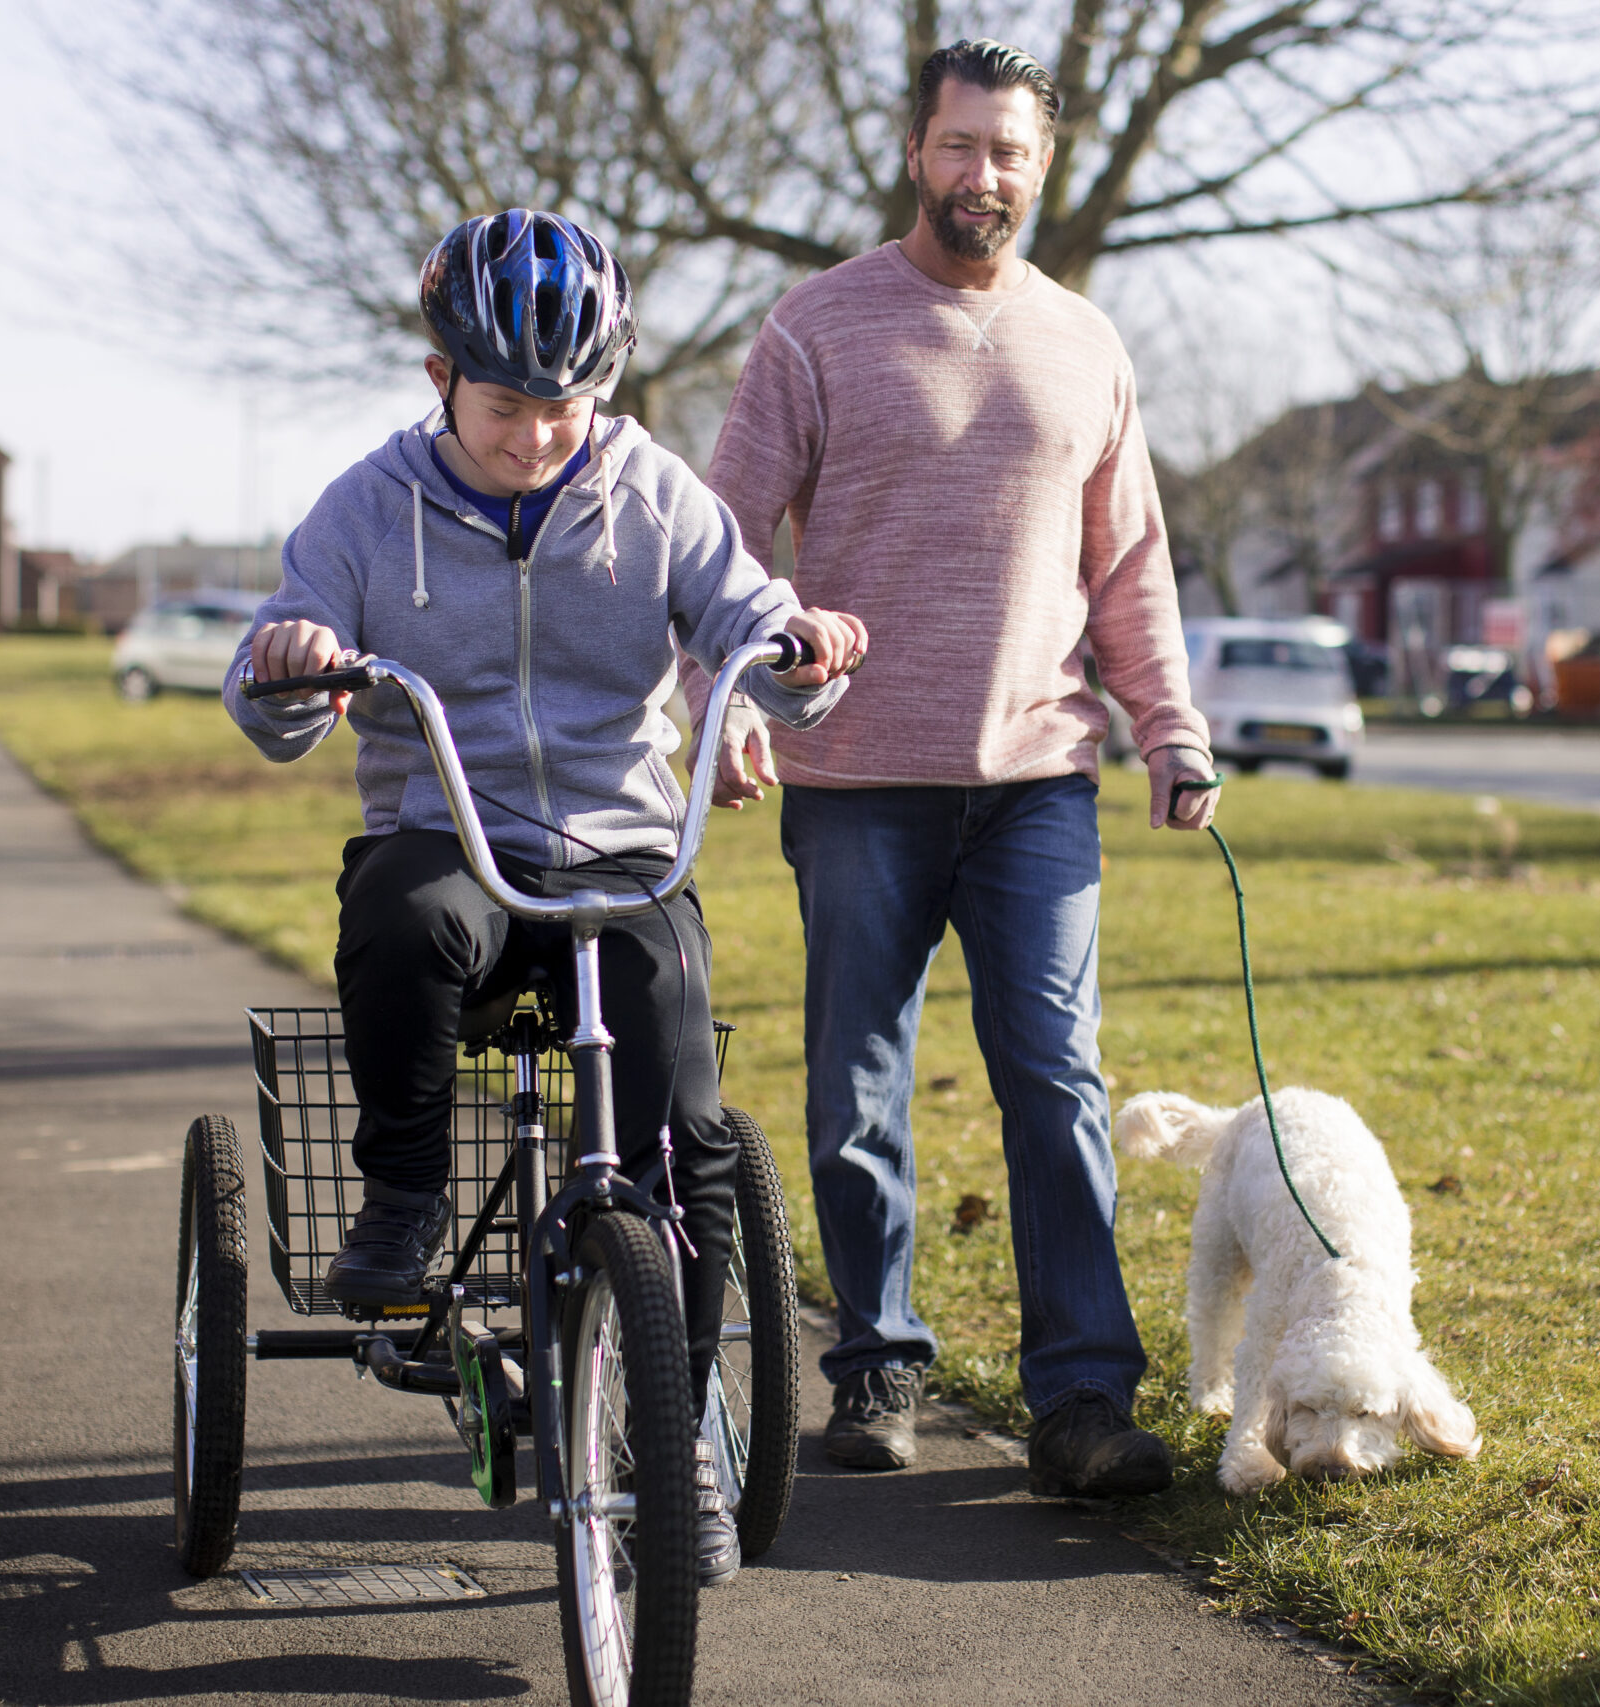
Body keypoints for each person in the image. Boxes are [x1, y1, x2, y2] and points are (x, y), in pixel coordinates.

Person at [225, 210, 866, 1584]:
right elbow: (277, 694)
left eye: (563, 406)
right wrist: (292, 663)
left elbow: (747, 618)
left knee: (682, 1122)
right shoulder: (365, 507)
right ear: (440, 377)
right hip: (446, 836)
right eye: (506, 404)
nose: (533, 437)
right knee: (407, 920)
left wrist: (798, 653)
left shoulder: (652, 492)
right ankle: (400, 1199)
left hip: (623, 854)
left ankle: (679, 1420)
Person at [699, 40, 1216, 1498]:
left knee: (1055, 1077)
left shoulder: (1087, 344)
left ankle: (1081, 1404)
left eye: (1008, 152)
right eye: (958, 146)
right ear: (915, 151)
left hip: (1040, 780)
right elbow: (721, 542)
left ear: (1038, 165)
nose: (981, 175)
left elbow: (1130, 570)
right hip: (858, 777)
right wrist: (725, 693)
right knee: (859, 1081)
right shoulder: (816, 329)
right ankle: (876, 1369)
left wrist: (1169, 729)